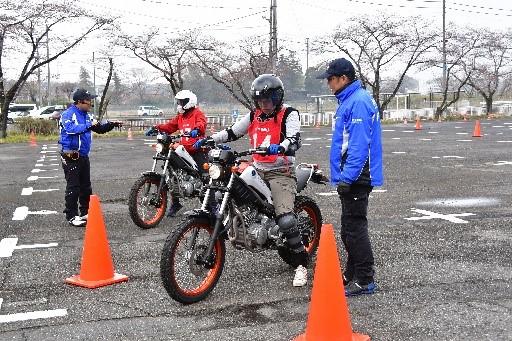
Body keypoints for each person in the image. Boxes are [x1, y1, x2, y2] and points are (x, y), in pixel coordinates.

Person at [193, 74, 308, 287]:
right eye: (260, 101)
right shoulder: (254, 115)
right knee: (224, 188)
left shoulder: (289, 114)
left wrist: (281, 146)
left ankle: (301, 263)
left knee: (285, 219)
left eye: (268, 100)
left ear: (278, 97)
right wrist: (209, 139)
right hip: (257, 167)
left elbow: (293, 138)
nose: (264, 105)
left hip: (281, 172)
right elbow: (232, 132)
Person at [317, 58, 383, 296]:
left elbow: (358, 145)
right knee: (349, 229)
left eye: (330, 79)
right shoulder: (350, 100)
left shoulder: (358, 102)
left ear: (343, 78)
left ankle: (365, 279)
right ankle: (352, 272)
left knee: (355, 229)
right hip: (351, 173)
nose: (328, 84)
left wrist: (348, 177)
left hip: (357, 175)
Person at [59, 88, 122, 227]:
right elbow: (70, 129)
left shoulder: (87, 115)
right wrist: (89, 125)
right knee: (73, 186)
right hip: (70, 154)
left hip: (83, 155)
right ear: (80, 101)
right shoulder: (68, 114)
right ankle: (71, 216)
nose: (91, 104)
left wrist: (111, 124)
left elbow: (98, 128)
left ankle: (85, 212)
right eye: (89, 101)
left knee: (86, 186)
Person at [145, 90, 207, 217]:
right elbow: (170, 126)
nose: (179, 105)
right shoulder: (180, 116)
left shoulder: (197, 113)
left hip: (197, 150)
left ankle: (210, 204)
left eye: (181, 102)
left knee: (204, 176)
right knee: (173, 172)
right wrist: (156, 128)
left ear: (189, 103)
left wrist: (197, 130)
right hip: (183, 150)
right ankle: (176, 202)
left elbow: (202, 124)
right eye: (178, 102)